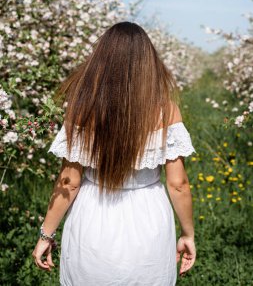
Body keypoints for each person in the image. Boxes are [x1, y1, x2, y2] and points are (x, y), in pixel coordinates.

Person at [32, 21, 197, 286]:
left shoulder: (82, 109)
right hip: (148, 218)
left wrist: (45, 235)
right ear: (148, 63)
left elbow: (69, 181)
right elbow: (178, 185)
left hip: (93, 216)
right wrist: (188, 234)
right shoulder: (166, 110)